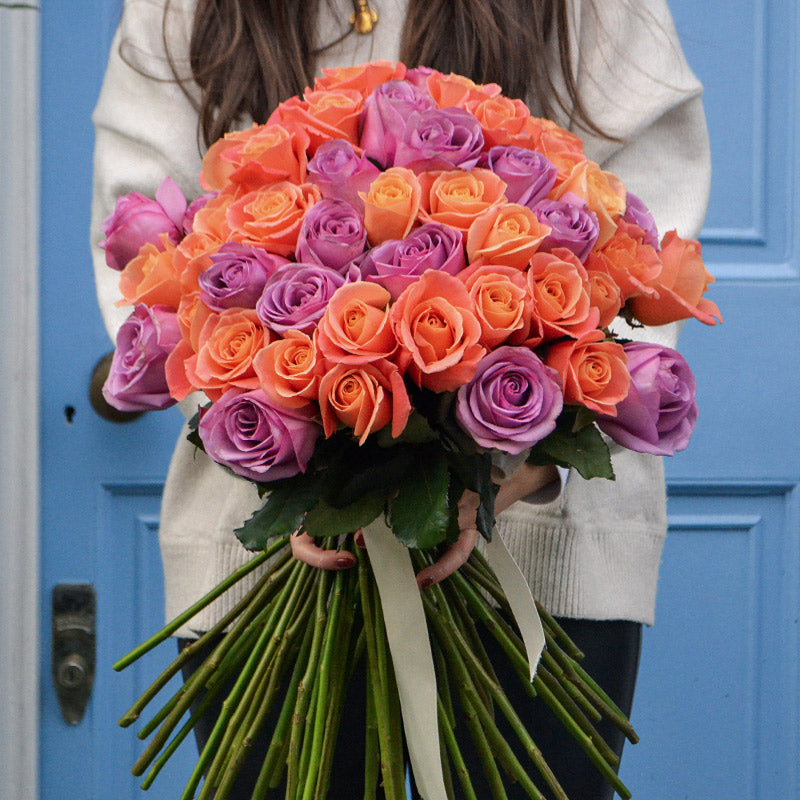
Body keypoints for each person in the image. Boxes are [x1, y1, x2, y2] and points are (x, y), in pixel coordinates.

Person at [91, 1, 711, 797]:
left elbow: (642, 238)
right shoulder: (182, 10)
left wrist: (508, 459)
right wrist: (290, 440)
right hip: (262, 564)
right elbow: (142, 259)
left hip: (541, 549)